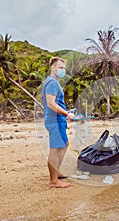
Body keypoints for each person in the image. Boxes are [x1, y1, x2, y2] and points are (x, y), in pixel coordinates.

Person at [42, 57, 76, 188]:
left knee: (65, 144)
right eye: (60, 68)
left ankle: (56, 172)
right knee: (55, 149)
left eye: (64, 68)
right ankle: (54, 181)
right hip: (55, 119)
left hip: (58, 119)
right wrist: (67, 114)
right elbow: (51, 103)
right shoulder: (52, 82)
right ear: (53, 67)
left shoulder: (54, 82)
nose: (63, 70)